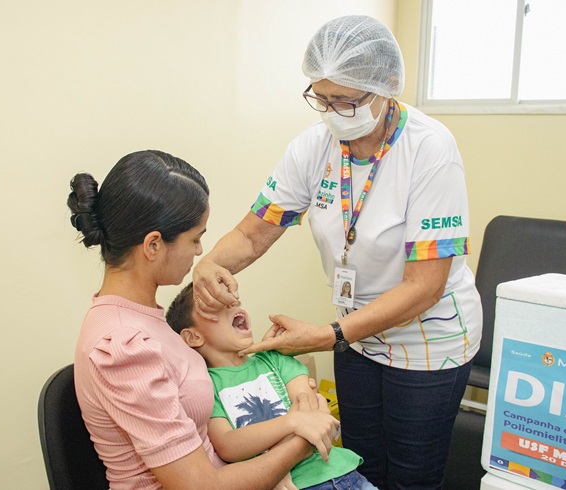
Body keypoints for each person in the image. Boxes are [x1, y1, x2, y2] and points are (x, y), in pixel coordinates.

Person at [192, 15, 483, 490]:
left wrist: (326, 336)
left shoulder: (430, 150)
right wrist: (210, 265)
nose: (333, 112)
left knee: (412, 475)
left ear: (387, 86)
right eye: (322, 98)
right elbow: (252, 234)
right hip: (355, 336)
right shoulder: (312, 147)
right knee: (359, 465)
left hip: (427, 342)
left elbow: (425, 286)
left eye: (347, 100)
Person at [68, 150, 338, 490]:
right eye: (195, 238)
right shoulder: (123, 346)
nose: (200, 252)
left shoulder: (143, 319)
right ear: (153, 245)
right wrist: (303, 434)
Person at [165, 282, 377, 490]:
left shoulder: (275, 359)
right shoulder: (204, 387)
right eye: (216, 304)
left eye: (230, 297)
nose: (233, 302)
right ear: (193, 337)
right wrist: (292, 423)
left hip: (341, 472)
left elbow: (311, 409)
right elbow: (228, 444)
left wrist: (278, 464)